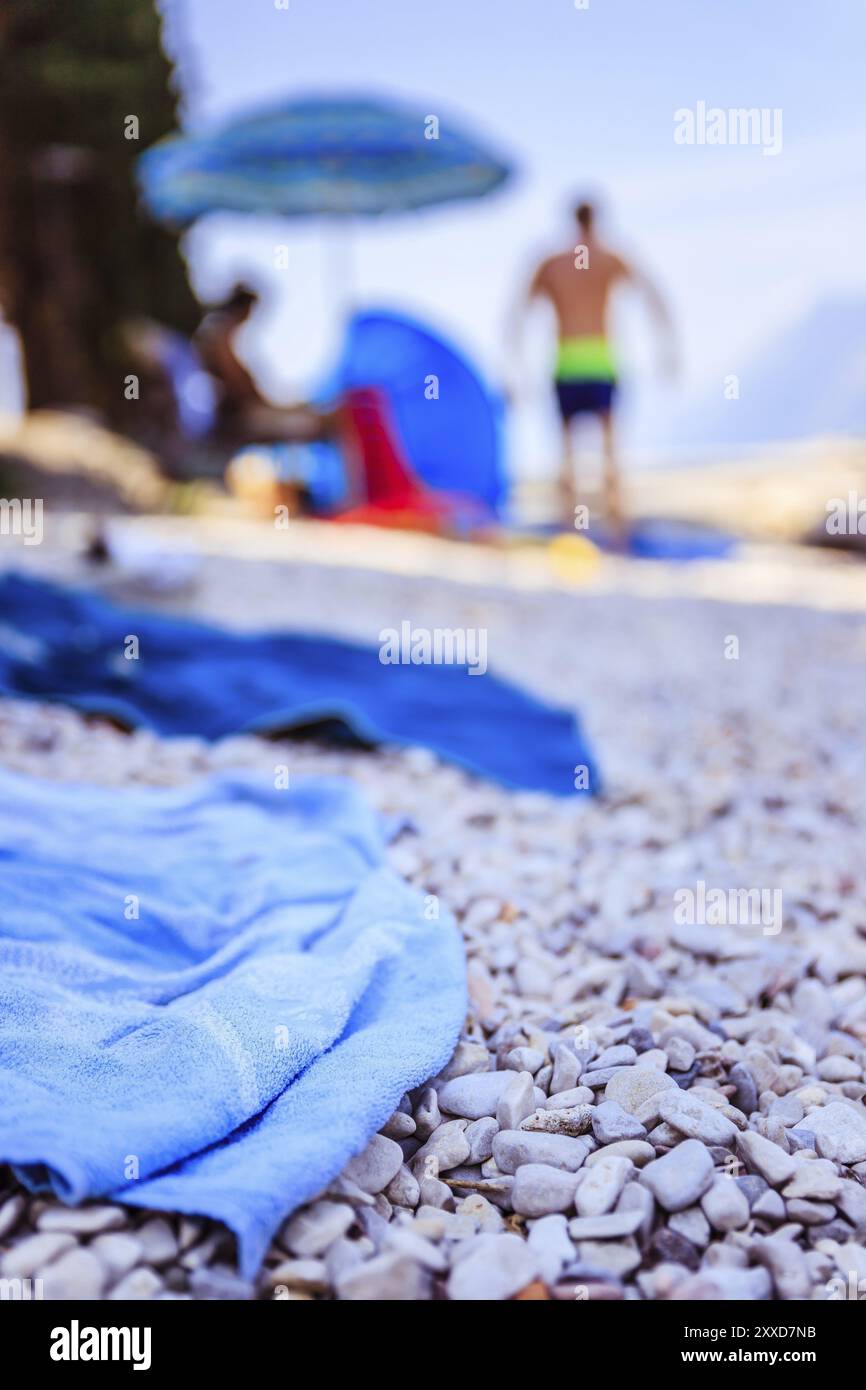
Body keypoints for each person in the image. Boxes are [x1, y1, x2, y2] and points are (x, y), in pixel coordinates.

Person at [524, 199, 675, 536]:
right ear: (597, 219)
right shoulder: (609, 258)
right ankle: (618, 536)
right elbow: (655, 297)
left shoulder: (552, 263)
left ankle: (569, 530)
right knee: (610, 455)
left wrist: (514, 368)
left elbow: (520, 312)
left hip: (566, 363)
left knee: (566, 458)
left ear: (572, 220)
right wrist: (667, 350)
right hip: (601, 362)